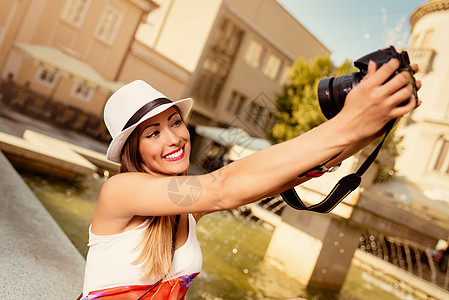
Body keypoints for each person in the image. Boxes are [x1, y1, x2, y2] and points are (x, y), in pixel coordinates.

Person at [81, 59, 421, 299]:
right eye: (152, 133)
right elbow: (221, 187)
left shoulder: (184, 212)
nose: (173, 138)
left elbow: (281, 178)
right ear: (134, 151)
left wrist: (376, 121)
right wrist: (348, 122)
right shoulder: (118, 191)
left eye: (174, 122)